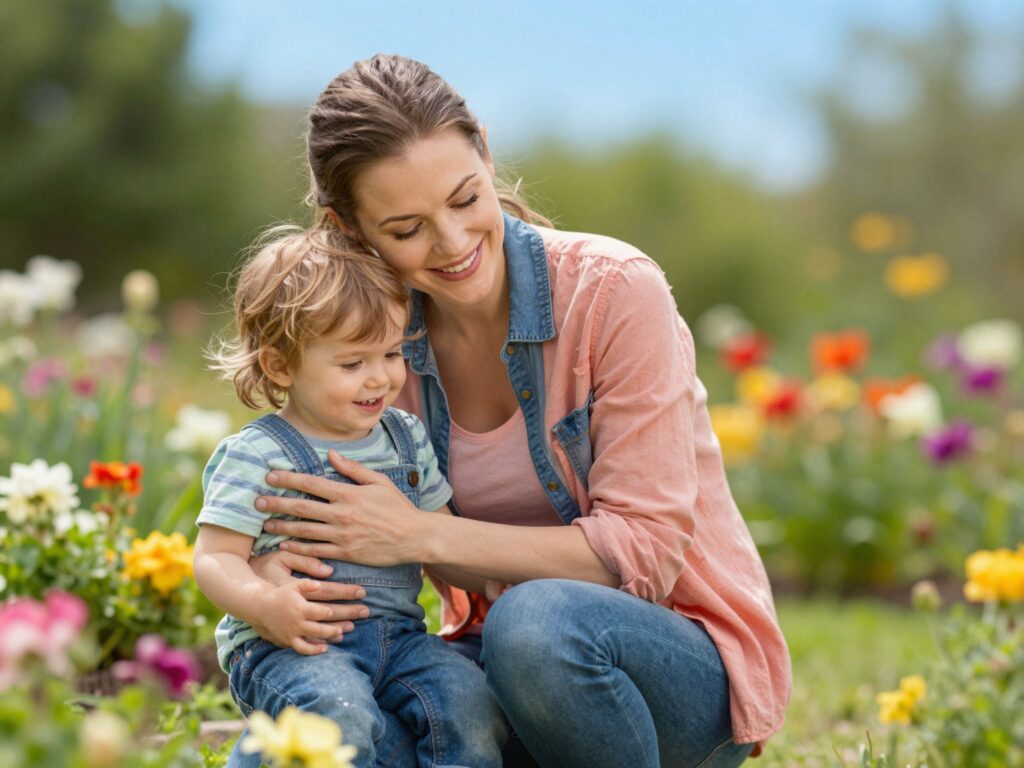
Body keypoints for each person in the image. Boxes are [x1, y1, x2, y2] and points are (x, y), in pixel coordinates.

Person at [250, 54, 792, 767]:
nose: (452, 243)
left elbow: (642, 553)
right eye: (407, 229)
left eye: (466, 199)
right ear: (348, 227)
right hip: (496, 676)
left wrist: (421, 535)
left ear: (485, 151)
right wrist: (276, 585)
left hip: (670, 673)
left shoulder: (613, 293)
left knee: (534, 623)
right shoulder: (373, 356)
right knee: (351, 728)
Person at [193, 226, 507, 768]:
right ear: (280, 365)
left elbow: (443, 538)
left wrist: (497, 582)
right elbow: (214, 559)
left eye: (390, 352)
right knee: (335, 713)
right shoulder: (259, 454)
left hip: (402, 639)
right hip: (292, 646)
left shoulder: (405, 436)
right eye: (352, 363)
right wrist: (267, 606)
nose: (380, 378)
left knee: (469, 702)